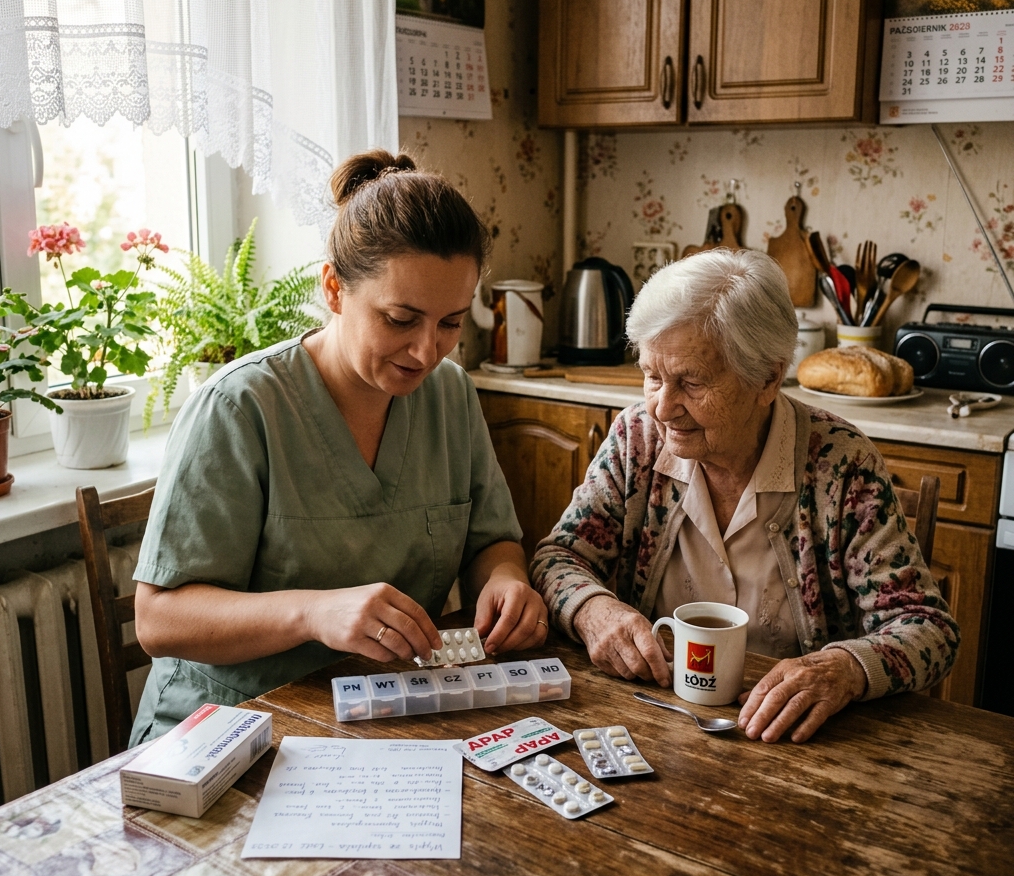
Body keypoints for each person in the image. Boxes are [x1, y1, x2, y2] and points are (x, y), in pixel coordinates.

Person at [131, 150, 547, 744]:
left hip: (384, 714)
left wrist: (506, 583)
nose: (428, 352)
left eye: (451, 323)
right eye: (401, 319)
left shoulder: (449, 394)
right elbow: (160, 620)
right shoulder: (240, 408)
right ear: (333, 288)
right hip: (230, 732)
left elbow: (492, 540)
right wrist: (314, 612)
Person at [530, 248, 959, 744]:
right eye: (652, 375)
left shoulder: (841, 464)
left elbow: (927, 627)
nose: (663, 407)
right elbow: (558, 558)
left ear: (768, 379)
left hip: (794, 739)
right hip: (655, 721)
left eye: (690, 382)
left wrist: (841, 669)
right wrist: (593, 609)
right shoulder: (637, 439)